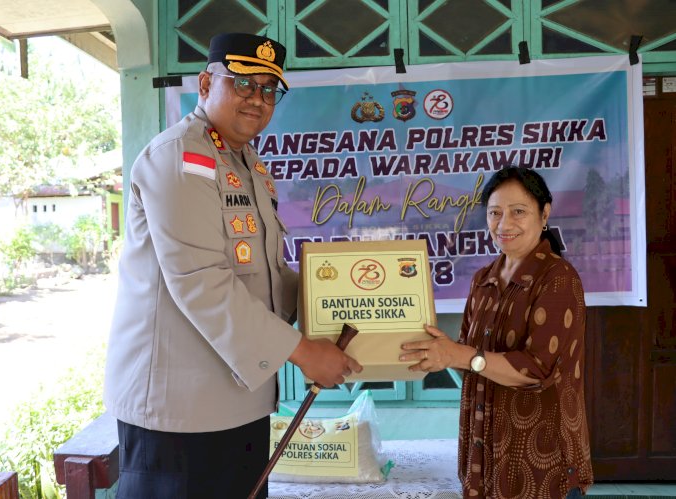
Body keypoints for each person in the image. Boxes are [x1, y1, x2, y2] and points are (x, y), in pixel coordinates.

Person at [104, 32, 362, 499]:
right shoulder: (181, 158)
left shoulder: (246, 165)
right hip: (180, 411)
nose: (257, 99)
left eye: (268, 89)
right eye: (243, 83)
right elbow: (202, 281)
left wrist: (331, 295)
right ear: (205, 83)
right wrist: (305, 351)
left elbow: (262, 276)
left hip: (237, 398)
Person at [400, 166, 593, 498]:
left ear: (544, 213)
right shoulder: (484, 279)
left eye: (518, 212)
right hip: (483, 454)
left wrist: (460, 355)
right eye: (495, 213)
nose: (504, 224)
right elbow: (469, 354)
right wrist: (439, 355)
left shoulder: (558, 278)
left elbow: (538, 369)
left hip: (541, 462)